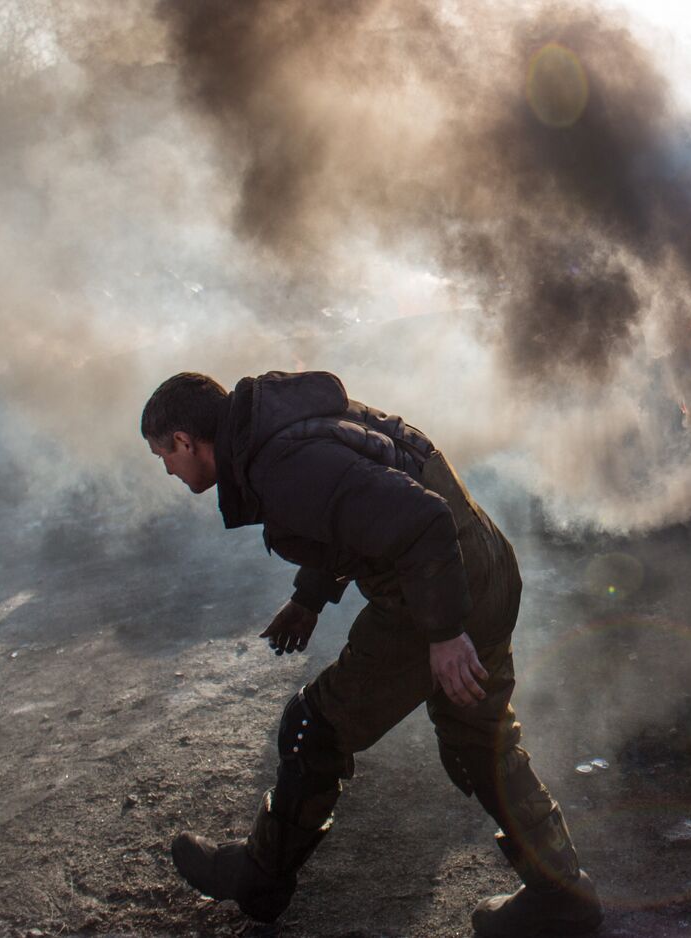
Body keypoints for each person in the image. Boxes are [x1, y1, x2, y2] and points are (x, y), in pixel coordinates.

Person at [141, 370, 602, 936]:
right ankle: (563, 895)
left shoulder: (281, 464)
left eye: (164, 454)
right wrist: (310, 598)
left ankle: (259, 877)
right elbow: (349, 513)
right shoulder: (277, 429)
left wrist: (444, 633)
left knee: (314, 728)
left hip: (436, 587)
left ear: (187, 441)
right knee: (481, 737)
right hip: (481, 563)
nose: (167, 468)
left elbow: (418, 519)